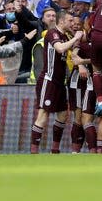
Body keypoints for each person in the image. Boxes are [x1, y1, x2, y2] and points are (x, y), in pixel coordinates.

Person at [30, 10, 83, 153]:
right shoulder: (52, 33)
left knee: (62, 115)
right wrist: (75, 39)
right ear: (62, 21)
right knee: (43, 115)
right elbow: (60, 49)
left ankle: (55, 149)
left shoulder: (65, 36)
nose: (72, 23)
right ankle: (34, 151)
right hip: (49, 80)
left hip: (60, 83)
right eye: (70, 21)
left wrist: (78, 46)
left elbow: (75, 49)